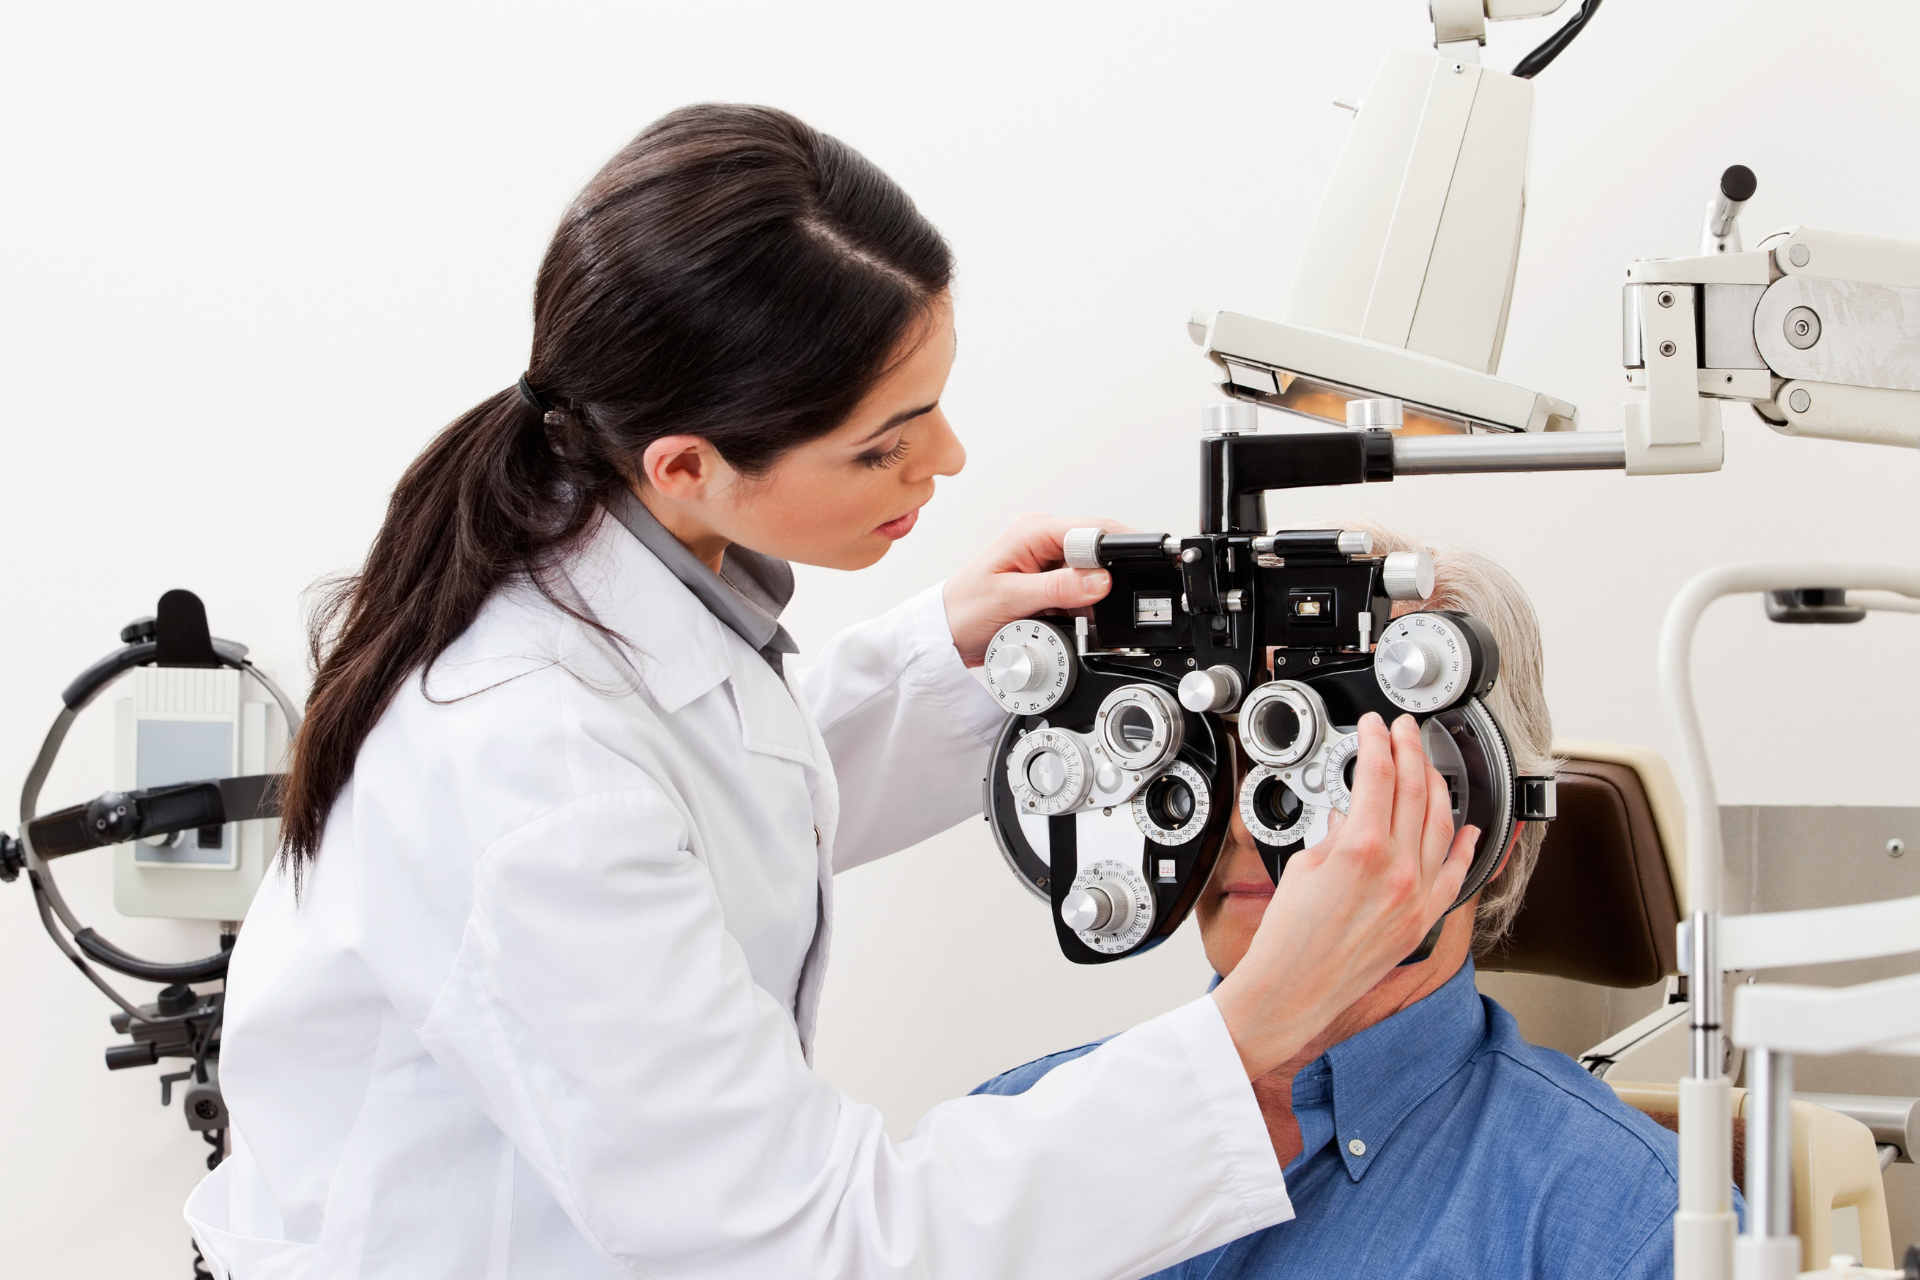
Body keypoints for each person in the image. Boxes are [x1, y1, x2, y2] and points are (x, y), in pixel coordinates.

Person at [184, 108, 1479, 1280]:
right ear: (688, 466)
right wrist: (1255, 1027)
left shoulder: (627, 589)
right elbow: (816, 1242)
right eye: (885, 443)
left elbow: (719, 797)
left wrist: (949, 658)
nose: (949, 460)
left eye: (934, 409)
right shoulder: (527, 761)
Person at [975, 526, 1741, 1280]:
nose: (1244, 823)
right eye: (1217, 761)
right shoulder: (1011, 1133)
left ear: (1492, 823)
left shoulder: (1641, 1227)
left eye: (1337, 773)